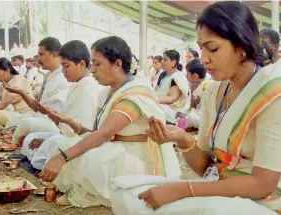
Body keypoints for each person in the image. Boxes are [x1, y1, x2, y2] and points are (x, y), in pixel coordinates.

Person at [110, 2, 281, 215]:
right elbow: (208, 169)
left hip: (267, 201)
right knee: (124, 191)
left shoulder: (276, 94)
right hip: (222, 190)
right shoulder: (215, 90)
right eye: (201, 47)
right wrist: (182, 138)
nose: (204, 58)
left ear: (242, 47)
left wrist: (185, 189)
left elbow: (264, 184)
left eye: (213, 48)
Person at [38, 36, 180, 208]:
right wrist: (69, 123)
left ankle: (94, 194)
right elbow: (95, 133)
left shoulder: (135, 93)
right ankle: (90, 190)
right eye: (93, 64)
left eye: (97, 64)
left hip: (137, 161)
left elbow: (103, 134)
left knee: (90, 157)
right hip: (113, 150)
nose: (92, 70)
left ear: (117, 65)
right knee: (61, 145)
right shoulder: (107, 92)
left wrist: (63, 158)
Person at [20, 40, 101, 170]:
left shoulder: (88, 86)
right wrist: (54, 118)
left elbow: (83, 131)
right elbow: (66, 124)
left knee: (47, 148)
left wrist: (51, 136)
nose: (63, 71)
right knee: (32, 139)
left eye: (66, 66)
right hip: (65, 134)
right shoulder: (78, 84)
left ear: (81, 64)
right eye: (62, 66)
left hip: (79, 141)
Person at [3, 37, 69, 141]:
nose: (38, 59)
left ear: (54, 54)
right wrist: (20, 92)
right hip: (42, 119)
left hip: (55, 126)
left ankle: (14, 146)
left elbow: (54, 116)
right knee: (15, 120)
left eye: (41, 54)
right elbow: (38, 109)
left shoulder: (63, 76)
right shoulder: (49, 75)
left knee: (25, 123)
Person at [155, 50, 189, 125]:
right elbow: (156, 91)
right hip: (161, 105)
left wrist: (154, 100)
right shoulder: (163, 74)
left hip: (172, 111)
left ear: (173, 62)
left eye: (165, 59)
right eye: (162, 59)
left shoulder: (177, 77)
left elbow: (172, 98)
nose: (162, 62)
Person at [177, 58, 211, 129]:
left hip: (206, 120)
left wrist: (186, 115)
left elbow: (203, 113)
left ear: (195, 76)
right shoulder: (199, 85)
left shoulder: (207, 87)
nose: (186, 76)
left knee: (184, 120)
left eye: (188, 74)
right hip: (199, 115)